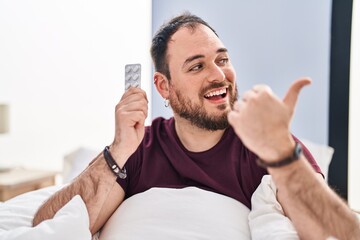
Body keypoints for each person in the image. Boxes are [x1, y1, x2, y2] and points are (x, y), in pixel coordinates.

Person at [33, 12, 360, 239]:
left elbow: (331, 234)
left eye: (222, 59)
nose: (219, 76)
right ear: (164, 87)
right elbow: (47, 225)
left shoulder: (265, 145)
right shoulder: (139, 148)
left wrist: (283, 154)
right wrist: (117, 150)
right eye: (197, 66)